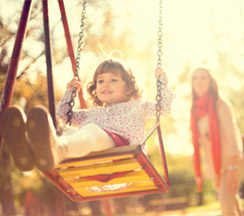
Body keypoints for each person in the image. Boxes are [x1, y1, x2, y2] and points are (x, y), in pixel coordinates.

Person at [0, 59, 174, 172]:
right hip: (89, 159)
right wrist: (70, 92)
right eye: (100, 81)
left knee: (90, 131)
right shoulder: (91, 113)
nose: (105, 84)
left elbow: (164, 108)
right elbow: (61, 117)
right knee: (66, 131)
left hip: (120, 158)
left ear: (129, 88)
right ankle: (30, 150)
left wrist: (162, 80)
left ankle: (58, 149)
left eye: (113, 80)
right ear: (95, 89)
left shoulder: (138, 106)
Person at [190, 67, 244, 216]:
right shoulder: (195, 111)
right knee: (231, 204)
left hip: (231, 161)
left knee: (226, 206)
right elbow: (200, 145)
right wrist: (206, 171)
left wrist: (233, 167)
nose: (199, 81)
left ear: (210, 82)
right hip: (216, 166)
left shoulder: (220, 104)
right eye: (195, 78)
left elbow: (233, 137)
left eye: (203, 78)